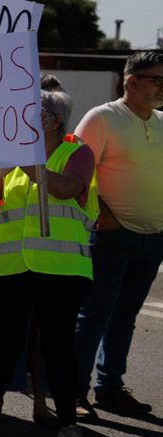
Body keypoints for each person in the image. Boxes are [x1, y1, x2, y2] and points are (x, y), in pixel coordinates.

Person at [0, 89, 96, 437]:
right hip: (9, 266)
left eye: (32, 111)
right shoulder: (10, 156)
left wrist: (25, 157)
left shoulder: (77, 152)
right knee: (4, 345)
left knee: (58, 345)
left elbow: (67, 188)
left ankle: (68, 424)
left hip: (62, 269)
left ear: (55, 119)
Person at [72, 50, 163, 418]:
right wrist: (102, 213)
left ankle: (110, 389)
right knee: (94, 315)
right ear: (131, 81)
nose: (162, 87)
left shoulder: (161, 122)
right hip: (111, 236)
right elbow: (74, 167)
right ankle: (74, 391)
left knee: (125, 316)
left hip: (153, 236)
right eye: (157, 79)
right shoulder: (102, 118)